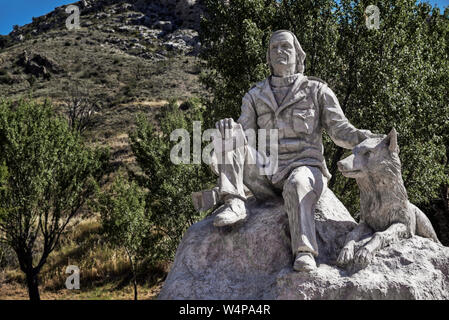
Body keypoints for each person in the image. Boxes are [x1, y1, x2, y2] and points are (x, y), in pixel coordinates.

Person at [211, 30, 374, 272]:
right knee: (228, 132)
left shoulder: (316, 91)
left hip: (304, 167)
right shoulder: (255, 96)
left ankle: (305, 252)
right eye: (274, 48)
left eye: (285, 46)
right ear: (267, 57)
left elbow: (340, 131)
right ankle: (234, 201)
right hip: (266, 171)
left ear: (298, 54)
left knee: (297, 184)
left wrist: (365, 138)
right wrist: (228, 131)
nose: (279, 51)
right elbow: (244, 135)